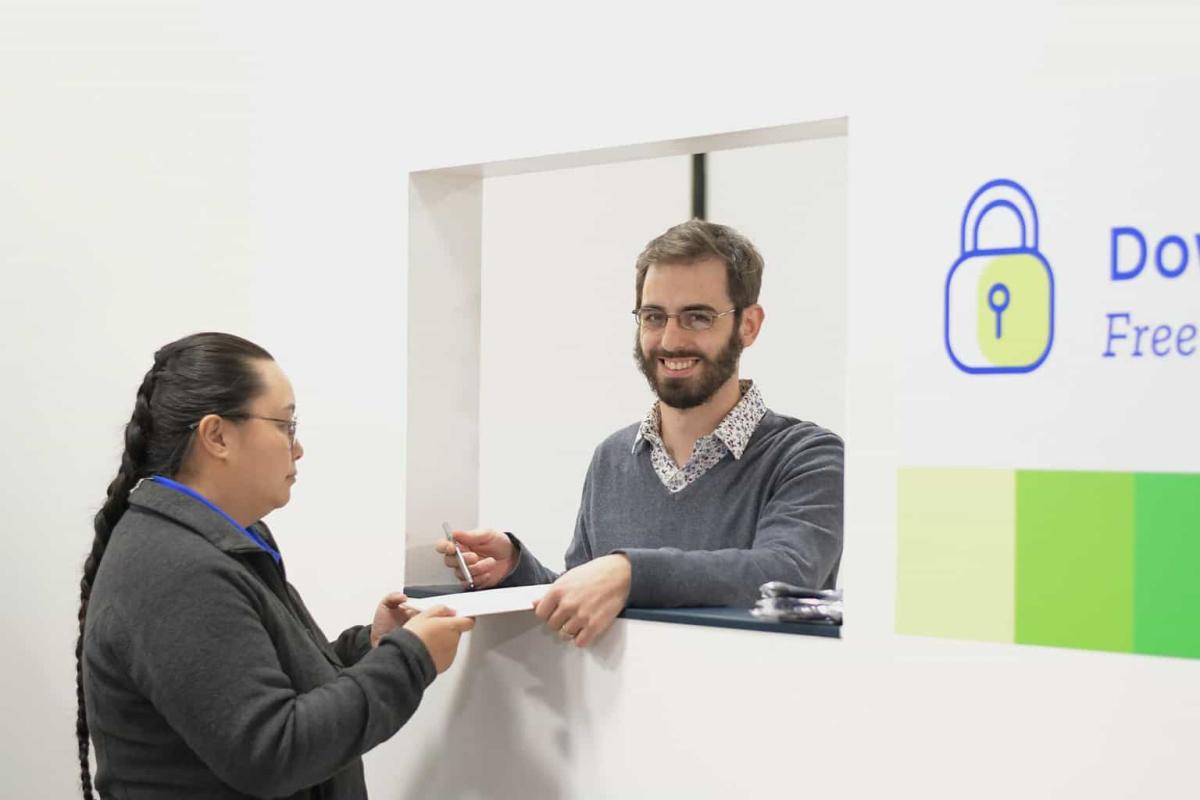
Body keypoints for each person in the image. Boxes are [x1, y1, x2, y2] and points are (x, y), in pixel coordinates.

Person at [77, 332, 474, 799]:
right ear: (217, 436)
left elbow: (256, 687)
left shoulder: (222, 541)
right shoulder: (176, 569)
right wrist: (411, 660)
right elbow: (274, 751)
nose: (298, 447)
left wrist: (371, 646)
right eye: (285, 425)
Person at [436, 220, 844, 647]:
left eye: (698, 317)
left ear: (749, 325)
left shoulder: (808, 457)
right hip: (627, 713)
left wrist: (628, 572)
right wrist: (515, 570)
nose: (670, 340)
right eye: (653, 317)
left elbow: (785, 575)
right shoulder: (613, 458)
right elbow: (590, 594)